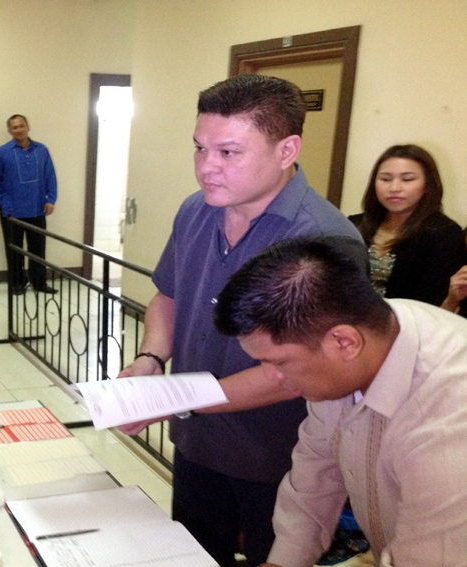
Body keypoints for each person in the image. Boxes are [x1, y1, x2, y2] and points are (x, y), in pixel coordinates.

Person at [116, 74, 362, 567]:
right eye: (199, 148)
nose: (206, 168)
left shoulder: (323, 242)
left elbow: (288, 374)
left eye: (228, 153)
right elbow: (168, 292)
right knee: (195, 555)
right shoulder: (196, 212)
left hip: (277, 458)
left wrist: (173, 396)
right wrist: (149, 359)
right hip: (196, 442)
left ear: (287, 149)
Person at [214, 237, 467, 567]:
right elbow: (315, 473)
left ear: (344, 343)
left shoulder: (450, 412)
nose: (272, 377)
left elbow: (435, 558)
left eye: (278, 362)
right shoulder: (365, 337)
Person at [349, 144, 466, 305]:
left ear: (427, 185)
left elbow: (433, 302)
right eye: (385, 179)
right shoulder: (354, 224)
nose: (394, 188)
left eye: (407, 179)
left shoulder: (443, 233)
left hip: (408, 325)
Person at [0, 114, 58, 294]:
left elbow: (50, 175)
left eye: (21, 126)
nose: (18, 130)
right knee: (14, 251)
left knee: (38, 249)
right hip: (12, 210)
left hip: (37, 208)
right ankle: (17, 283)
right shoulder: (2, 152)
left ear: (28, 127)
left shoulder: (41, 150)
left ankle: (39, 283)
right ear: (9, 131)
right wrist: (0, 202)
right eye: (14, 127)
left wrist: (51, 200)